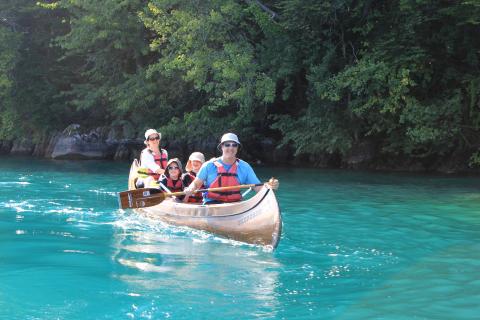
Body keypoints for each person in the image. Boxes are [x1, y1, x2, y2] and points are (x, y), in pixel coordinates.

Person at [184, 133, 279, 204]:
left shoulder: (244, 167)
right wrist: (190, 188)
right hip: (212, 204)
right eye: (227, 145)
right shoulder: (208, 165)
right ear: (221, 147)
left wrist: (270, 187)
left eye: (234, 145)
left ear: (237, 148)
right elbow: (196, 184)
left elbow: (258, 188)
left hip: (235, 204)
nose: (231, 147)